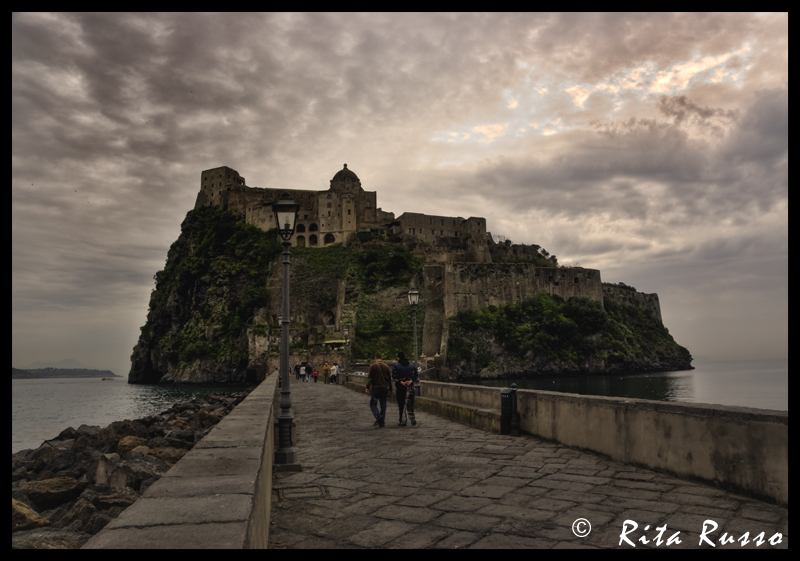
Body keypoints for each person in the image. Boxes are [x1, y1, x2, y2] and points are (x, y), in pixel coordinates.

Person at [392, 351, 419, 426]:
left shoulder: (396, 366)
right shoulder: (412, 365)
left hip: (401, 387)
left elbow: (394, 377)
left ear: (398, 358)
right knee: (410, 402)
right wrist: (410, 381)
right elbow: (416, 375)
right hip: (410, 386)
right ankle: (412, 417)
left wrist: (401, 382)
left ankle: (403, 420)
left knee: (401, 404)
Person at [366, 351, 391, 427]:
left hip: (376, 388)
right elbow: (389, 379)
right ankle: (381, 421)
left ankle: (378, 416)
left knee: (373, 403)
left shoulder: (372, 366)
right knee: (383, 404)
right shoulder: (386, 366)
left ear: (375, 358)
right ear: (381, 357)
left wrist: (367, 387)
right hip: (383, 388)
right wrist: (390, 388)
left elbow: (370, 378)